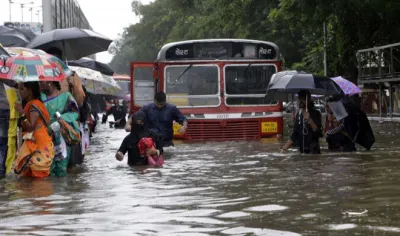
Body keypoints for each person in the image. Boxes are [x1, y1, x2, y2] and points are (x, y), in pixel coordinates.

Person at [14, 82, 55, 178]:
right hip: (36, 140)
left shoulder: (34, 105)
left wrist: (21, 112)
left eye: (22, 89)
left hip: (39, 141)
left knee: (37, 173)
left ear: (30, 91)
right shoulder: (33, 103)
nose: (19, 92)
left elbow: (31, 126)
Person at [40, 81, 80, 177]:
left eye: (43, 82)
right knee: (45, 168)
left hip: (62, 136)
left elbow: (75, 113)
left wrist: (60, 119)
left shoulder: (66, 96)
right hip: (44, 136)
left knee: (61, 168)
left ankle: (61, 190)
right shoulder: (39, 97)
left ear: (52, 82)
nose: (41, 85)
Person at [4, 84, 20, 174]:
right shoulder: (14, 88)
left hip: (9, 113)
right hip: (11, 114)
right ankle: (7, 167)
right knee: (10, 141)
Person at [0, 82, 10, 178]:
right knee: (2, 142)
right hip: (2, 108)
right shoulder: (1, 69)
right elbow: (12, 83)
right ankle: (1, 171)